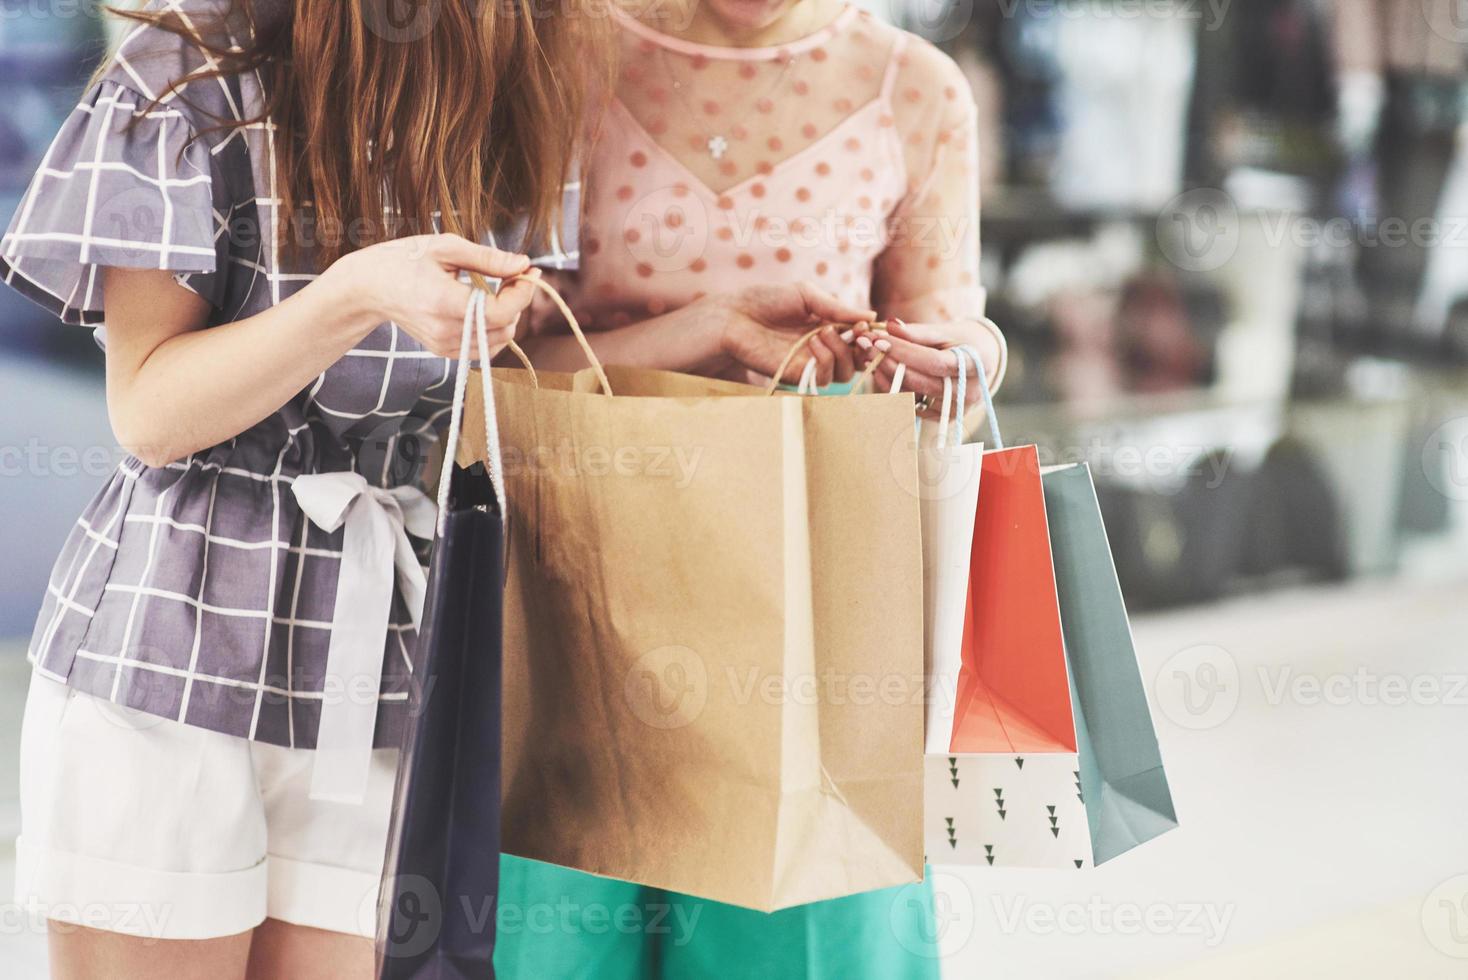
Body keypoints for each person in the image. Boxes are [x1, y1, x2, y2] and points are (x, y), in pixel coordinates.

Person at [0, 0, 601, 976]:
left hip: (377, 670)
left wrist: (704, 340)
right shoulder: (189, 74)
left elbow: (508, 375)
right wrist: (356, 293)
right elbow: (150, 410)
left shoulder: (524, 75)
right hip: (170, 649)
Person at [498, 1, 1007, 977]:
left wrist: (963, 358)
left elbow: (953, 331)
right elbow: (487, 351)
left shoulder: (914, 85)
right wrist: (706, 328)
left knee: (813, 927)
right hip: (570, 579)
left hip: (811, 603)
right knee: (556, 928)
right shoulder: (554, 54)